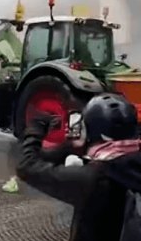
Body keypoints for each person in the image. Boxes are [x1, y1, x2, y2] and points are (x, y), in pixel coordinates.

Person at [16, 93, 141, 241]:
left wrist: (36, 128)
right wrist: (72, 147)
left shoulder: (94, 178)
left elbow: (27, 166)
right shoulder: (130, 162)